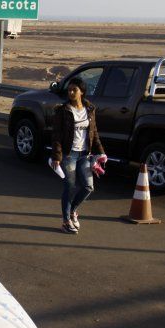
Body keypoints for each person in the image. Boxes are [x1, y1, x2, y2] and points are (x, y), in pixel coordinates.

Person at [51, 77, 105, 234]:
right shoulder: (62, 111)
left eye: (74, 90)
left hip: (85, 154)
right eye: (69, 90)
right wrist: (56, 156)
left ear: (82, 92)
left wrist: (100, 152)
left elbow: (94, 133)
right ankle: (66, 221)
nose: (71, 92)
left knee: (88, 186)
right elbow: (56, 136)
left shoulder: (89, 109)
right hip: (69, 155)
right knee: (70, 186)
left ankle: (73, 210)